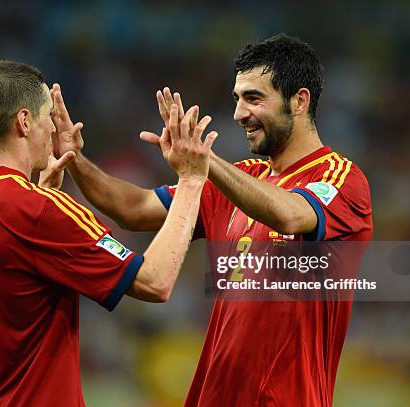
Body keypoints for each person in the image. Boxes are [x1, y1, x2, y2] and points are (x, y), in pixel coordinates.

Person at [60, 34, 373, 406]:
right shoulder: (243, 177)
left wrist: (203, 164)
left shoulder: (340, 179)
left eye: (254, 98)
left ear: (299, 101)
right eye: (237, 99)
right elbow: (135, 208)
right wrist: (75, 160)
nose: (240, 113)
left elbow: (290, 214)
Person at [0, 60, 217, 406]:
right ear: (24, 122)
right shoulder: (37, 211)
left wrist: (40, 195)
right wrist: (190, 180)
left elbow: (9, 294)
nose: (53, 127)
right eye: (49, 115)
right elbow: (156, 282)